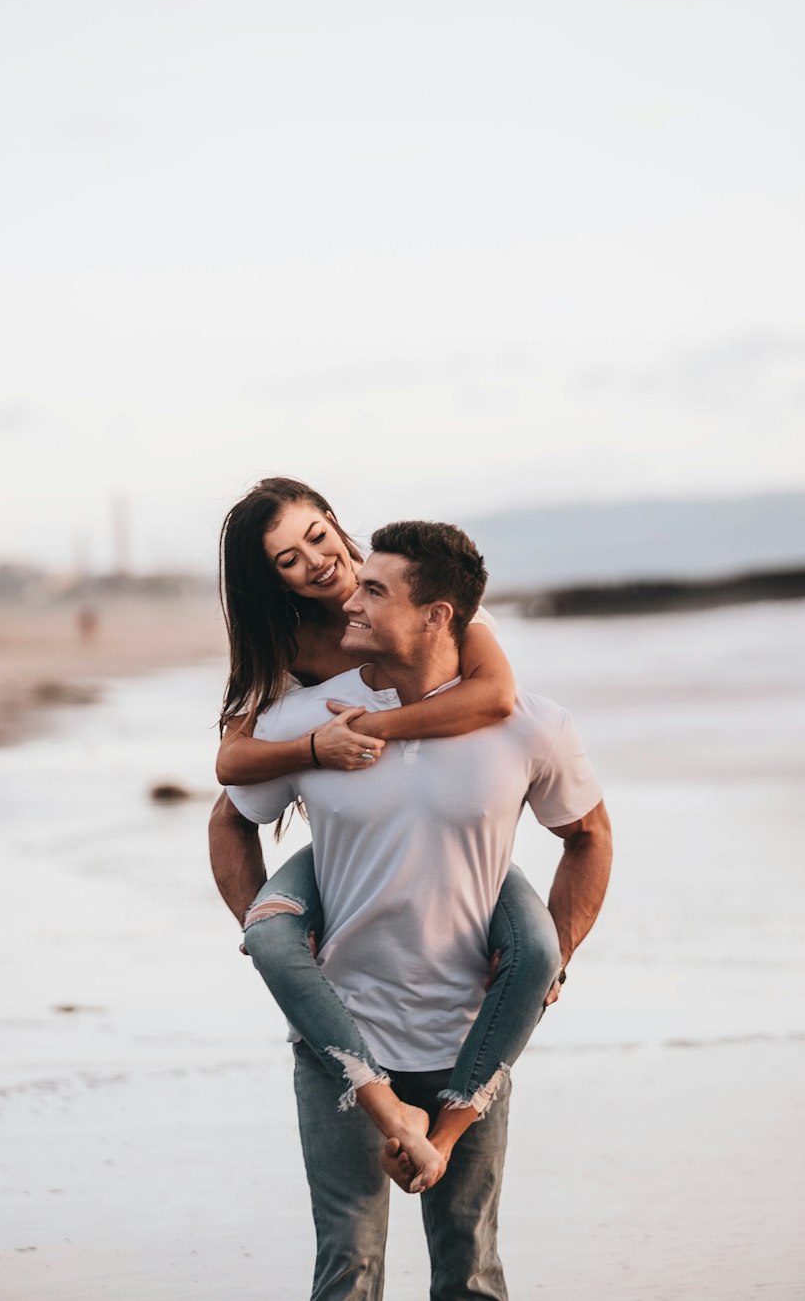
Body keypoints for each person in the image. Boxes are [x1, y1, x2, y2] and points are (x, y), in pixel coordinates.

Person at [210, 513, 612, 1300]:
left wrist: (559, 948)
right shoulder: (308, 720)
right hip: (342, 1048)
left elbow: (589, 837)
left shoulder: (527, 722)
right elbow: (231, 807)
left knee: (471, 1274)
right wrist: (275, 937)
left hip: (469, 1041)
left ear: (436, 615)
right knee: (347, 1276)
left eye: (369, 586)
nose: (346, 595)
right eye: (292, 562)